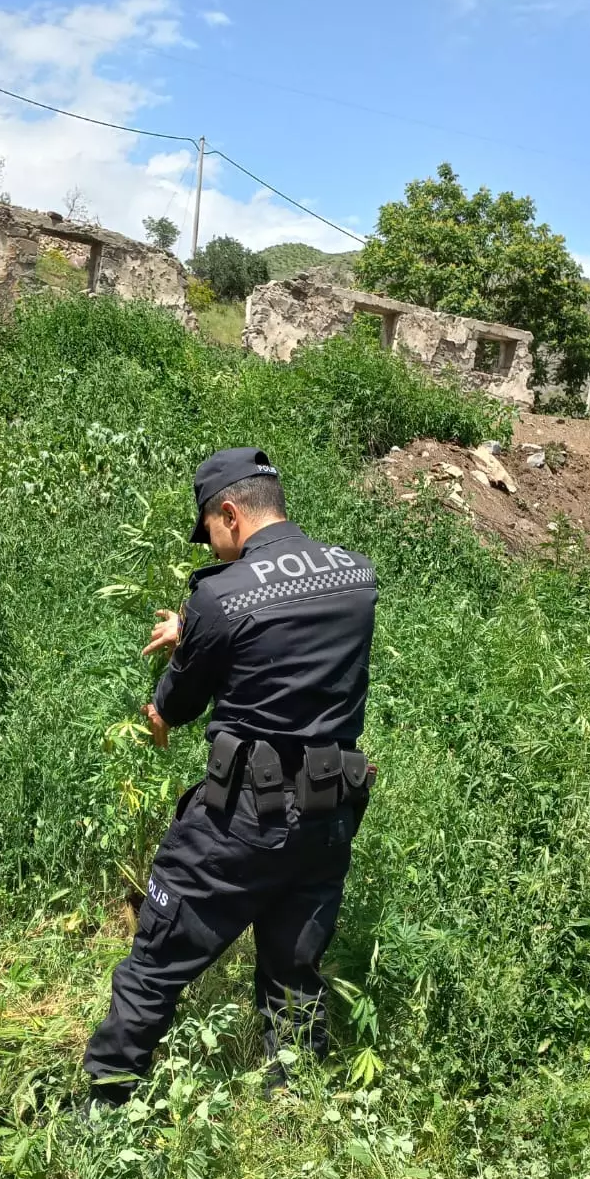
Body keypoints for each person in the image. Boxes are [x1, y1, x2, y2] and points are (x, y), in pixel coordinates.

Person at [83, 446, 377, 1105]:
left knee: (155, 964)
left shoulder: (221, 594)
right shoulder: (355, 575)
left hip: (241, 819)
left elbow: (176, 709)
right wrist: (198, 627)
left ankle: (101, 1113)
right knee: (293, 969)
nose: (213, 549)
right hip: (328, 811)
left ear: (229, 514)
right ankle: (296, 1113)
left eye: (212, 535)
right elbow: (285, 622)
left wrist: (171, 681)